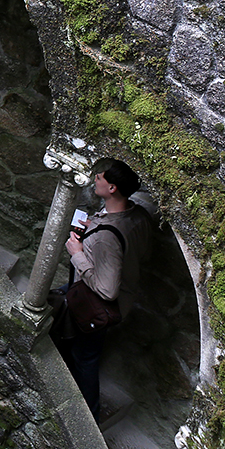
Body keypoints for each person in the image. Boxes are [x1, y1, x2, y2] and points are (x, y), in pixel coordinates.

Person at [55, 158, 152, 421]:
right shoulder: (137, 215)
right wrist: (94, 228)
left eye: (99, 178)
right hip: (125, 296)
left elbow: (107, 291)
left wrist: (78, 253)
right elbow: (130, 246)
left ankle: (88, 414)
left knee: (85, 355)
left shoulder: (107, 237)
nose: (94, 180)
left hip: (98, 305)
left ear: (112, 189)